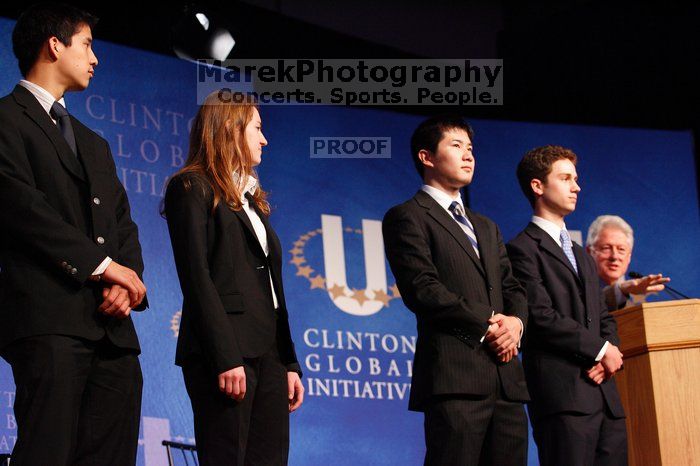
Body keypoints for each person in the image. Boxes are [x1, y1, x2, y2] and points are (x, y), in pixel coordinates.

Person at [0, 4, 148, 465]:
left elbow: (123, 223)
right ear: (54, 44)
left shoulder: (94, 142)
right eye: (87, 44)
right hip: (50, 321)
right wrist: (105, 269)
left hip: (113, 332)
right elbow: (22, 210)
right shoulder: (6, 119)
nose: (95, 58)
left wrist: (129, 282)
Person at [164, 90, 303, 466]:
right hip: (224, 354)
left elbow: (273, 290)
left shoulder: (252, 199)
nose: (264, 139)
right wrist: (224, 357)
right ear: (230, 127)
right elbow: (196, 278)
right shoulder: (192, 187)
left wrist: (288, 362)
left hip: (269, 355)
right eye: (257, 128)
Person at [382, 115, 529, 466]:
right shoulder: (407, 216)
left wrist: (516, 324)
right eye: (456, 146)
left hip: (506, 381)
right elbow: (422, 288)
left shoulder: (486, 226)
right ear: (426, 157)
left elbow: (513, 287)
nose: (468, 156)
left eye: (471, 149)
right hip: (456, 378)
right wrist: (490, 321)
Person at [507, 145, 627, 466]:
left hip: (605, 397)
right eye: (565, 178)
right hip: (564, 398)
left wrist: (608, 355)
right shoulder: (521, 250)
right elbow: (541, 317)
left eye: (576, 178)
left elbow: (603, 315)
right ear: (538, 186)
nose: (577, 187)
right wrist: (601, 350)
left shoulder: (580, 253)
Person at [586, 214, 670, 310]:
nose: (614, 256)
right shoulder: (578, 291)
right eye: (606, 248)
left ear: (629, 256)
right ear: (589, 252)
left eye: (621, 249)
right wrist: (620, 290)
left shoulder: (638, 301)